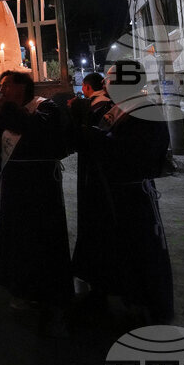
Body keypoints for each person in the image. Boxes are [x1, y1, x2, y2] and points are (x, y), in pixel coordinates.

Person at [75, 62, 175, 323]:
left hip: (133, 196)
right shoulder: (119, 108)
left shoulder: (145, 110)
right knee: (113, 249)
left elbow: (133, 153)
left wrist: (92, 137)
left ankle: (144, 307)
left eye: (110, 78)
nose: (105, 83)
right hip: (112, 192)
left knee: (139, 251)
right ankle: (114, 296)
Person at [0, 71, 72, 334]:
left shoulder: (45, 108)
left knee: (40, 238)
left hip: (39, 186)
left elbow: (37, 133)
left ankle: (46, 291)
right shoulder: (8, 110)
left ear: (22, 86)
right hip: (14, 185)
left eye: (6, 85)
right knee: (17, 238)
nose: (1, 90)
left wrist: (6, 111)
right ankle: (20, 288)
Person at [69, 72, 117, 300]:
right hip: (107, 172)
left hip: (96, 171)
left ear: (86, 87)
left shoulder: (95, 107)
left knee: (96, 218)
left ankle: (98, 275)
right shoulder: (111, 105)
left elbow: (84, 139)